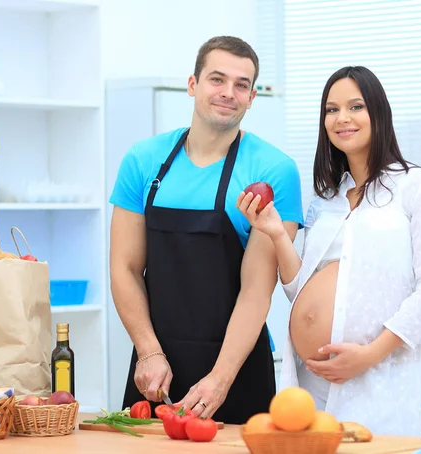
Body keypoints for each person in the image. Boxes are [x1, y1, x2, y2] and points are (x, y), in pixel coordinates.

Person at [237, 66, 421, 436]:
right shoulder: (327, 198)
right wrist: (275, 234)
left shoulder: (419, 187)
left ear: (378, 113)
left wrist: (368, 355)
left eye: (355, 106)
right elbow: (299, 289)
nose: (342, 118)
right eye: (331, 109)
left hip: (376, 377)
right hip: (310, 383)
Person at [108, 35, 304, 424]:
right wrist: (148, 351)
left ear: (251, 98)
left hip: (237, 370)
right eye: (217, 79)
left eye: (241, 85)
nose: (228, 92)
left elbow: (255, 291)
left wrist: (220, 378)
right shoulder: (143, 161)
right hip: (155, 368)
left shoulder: (273, 171)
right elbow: (125, 268)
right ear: (193, 84)